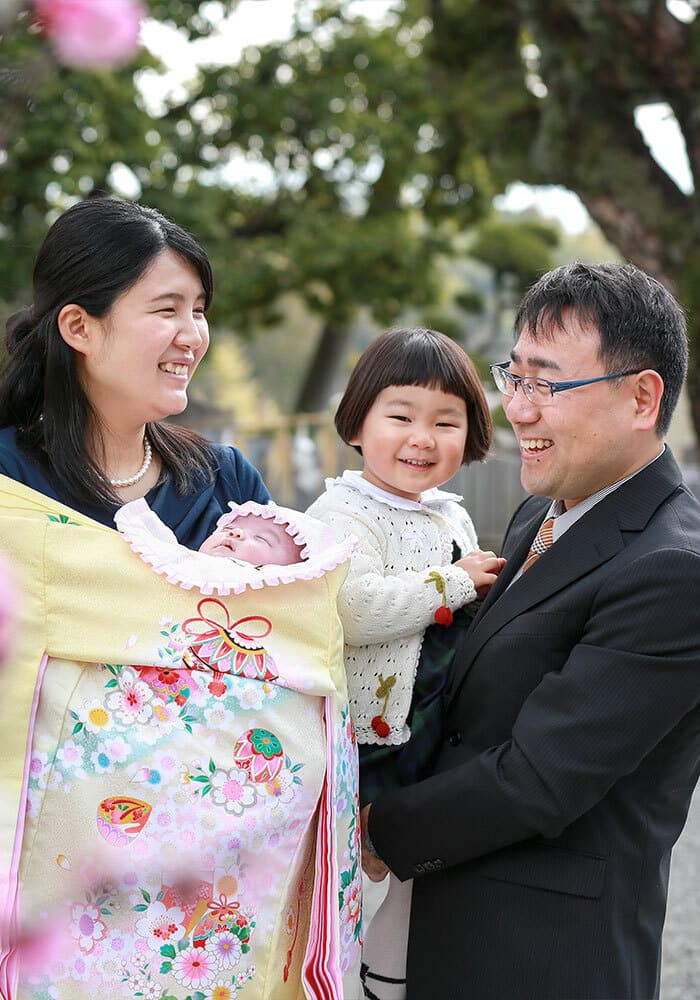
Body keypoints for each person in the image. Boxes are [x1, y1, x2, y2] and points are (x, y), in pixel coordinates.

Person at [363, 263, 700, 1000]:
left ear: (642, 398)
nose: (516, 409)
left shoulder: (675, 568)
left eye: (545, 384)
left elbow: (538, 780)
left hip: (544, 959)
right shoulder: (540, 514)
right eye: (511, 379)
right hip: (448, 931)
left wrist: (374, 826)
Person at [307, 328, 505, 1000]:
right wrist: (453, 582)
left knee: (418, 881)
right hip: (374, 739)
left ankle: (388, 985)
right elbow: (350, 609)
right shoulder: (343, 512)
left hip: (434, 727)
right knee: (359, 875)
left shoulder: (451, 514)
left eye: (446, 422)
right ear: (358, 422)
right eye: (401, 416)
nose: (423, 438)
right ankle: (332, 976)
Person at [0, 196, 269, 545]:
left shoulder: (226, 479)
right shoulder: (11, 482)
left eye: (199, 310)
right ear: (79, 328)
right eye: (167, 310)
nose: (193, 336)